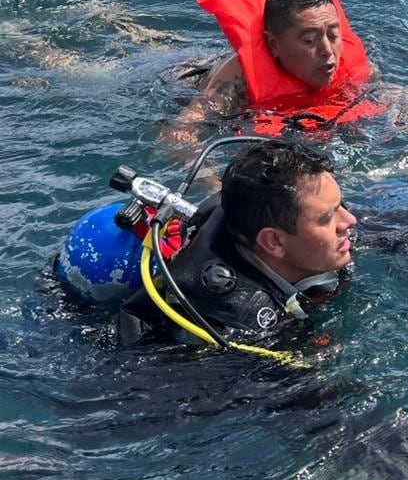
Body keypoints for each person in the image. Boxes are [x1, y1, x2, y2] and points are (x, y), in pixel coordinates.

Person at [117, 140, 357, 344]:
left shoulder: (259, 211)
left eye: (340, 205)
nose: (349, 220)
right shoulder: (239, 324)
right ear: (274, 241)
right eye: (327, 218)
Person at [166, 0, 388, 144]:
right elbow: (178, 134)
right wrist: (215, 185)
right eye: (309, 40)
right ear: (273, 45)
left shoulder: (353, 66)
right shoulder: (235, 83)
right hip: (178, 72)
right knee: (154, 46)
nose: (327, 51)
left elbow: (388, 96)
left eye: (333, 35)